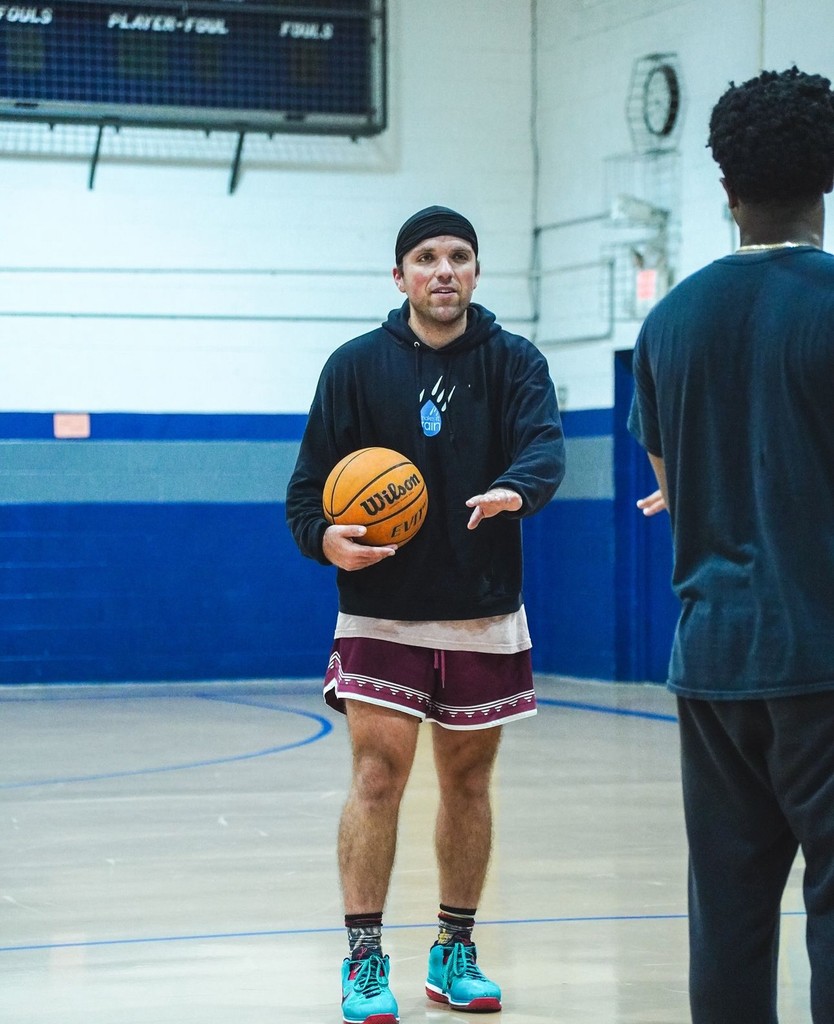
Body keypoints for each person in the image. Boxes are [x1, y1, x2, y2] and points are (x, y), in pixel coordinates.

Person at [286, 205, 565, 1024]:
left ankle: (456, 949)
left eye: (459, 257)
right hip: (380, 612)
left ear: (476, 272)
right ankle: (365, 960)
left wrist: (521, 486)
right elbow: (307, 492)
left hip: (481, 609)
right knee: (377, 777)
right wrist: (325, 540)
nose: (443, 270)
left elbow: (545, 445)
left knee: (470, 781)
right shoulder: (354, 367)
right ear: (400, 275)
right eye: (425, 257)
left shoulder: (515, 362)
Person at [628, 67, 834, 1023]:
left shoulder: (667, 322)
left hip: (711, 664)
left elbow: (668, 485)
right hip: (822, 660)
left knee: (729, 924)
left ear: (724, 188)